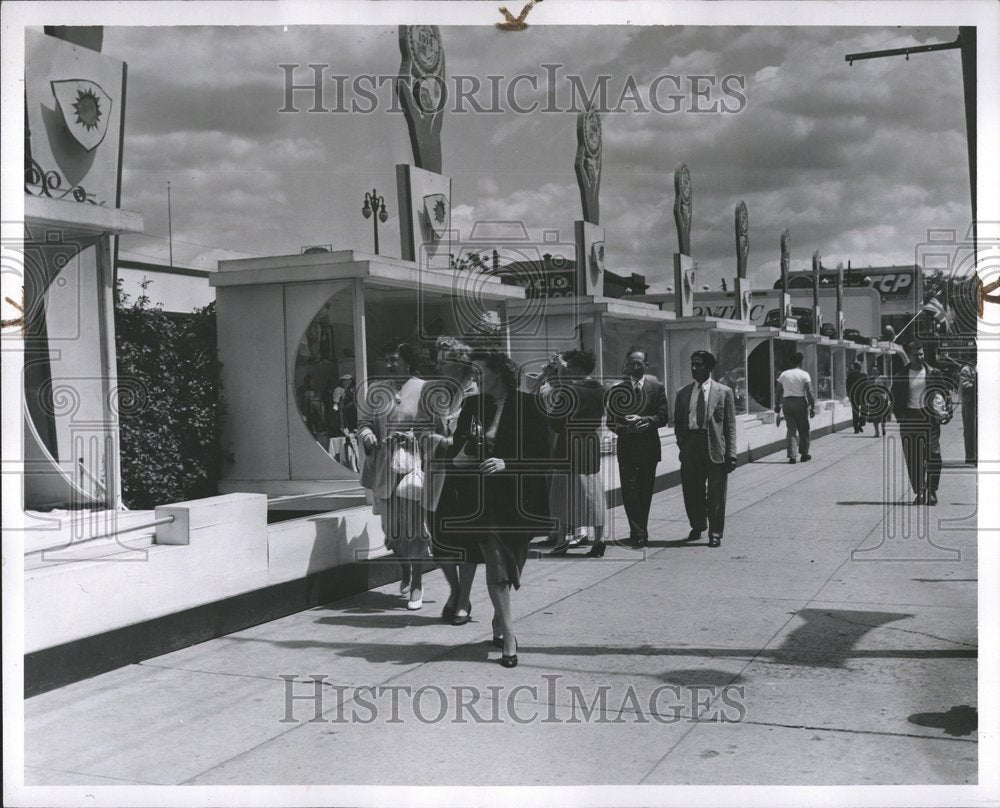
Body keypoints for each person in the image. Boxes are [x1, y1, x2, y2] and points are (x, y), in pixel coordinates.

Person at [442, 348, 533, 668]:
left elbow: (540, 454)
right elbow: (457, 449)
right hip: (482, 497)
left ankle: (499, 617)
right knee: (496, 563)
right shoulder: (471, 405)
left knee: (513, 566)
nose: (475, 378)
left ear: (499, 373)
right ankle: (509, 636)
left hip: (518, 497)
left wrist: (508, 462)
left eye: (481, 372)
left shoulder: (526, 405)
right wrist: (462, 452)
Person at [357, 342, 432, 610]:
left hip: (412, 468)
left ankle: (418, 584)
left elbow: (434, 425)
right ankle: (406, 569)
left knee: (413, 530)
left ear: (407, 362)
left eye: (394, 359)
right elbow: (364, 423)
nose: (389, 364)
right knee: (391, 532)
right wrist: (367, 436)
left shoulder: (423, 388)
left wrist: (414, 435)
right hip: (384, 469)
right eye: (387, 359)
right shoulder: (377, 390)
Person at [422, 337, 477, 625]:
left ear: (460, 365)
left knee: (465, 539)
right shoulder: (434, 392)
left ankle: (464, 599)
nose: (438, 365)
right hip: (437, 475)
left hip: (465, 477)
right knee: (439, 537)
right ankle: (456, 592)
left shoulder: (476, 394)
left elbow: (474, 439)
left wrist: (441, 440)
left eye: (444, 361)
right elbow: (420, 428)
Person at [606, 347, 669, 547]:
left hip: (649, 449)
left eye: (639, 363)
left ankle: (639, 529)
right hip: (627, 448)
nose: (635, 366)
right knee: (629, 492)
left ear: (646, 365)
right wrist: (626, 430)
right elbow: (610, 421)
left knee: (644, 492)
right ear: (627, 365)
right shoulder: (617, 390)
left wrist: (645, 420)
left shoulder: (657, 387)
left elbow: (663, 417)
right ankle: (639, 532)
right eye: (631, 363)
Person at [547, 349, 608, 557]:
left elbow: (555, 422)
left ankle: (561, 541)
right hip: (590, 444)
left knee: (563, 494)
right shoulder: (601, 389)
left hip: (568, 445)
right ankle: (599, 538)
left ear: (579, 367)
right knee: (593, 492)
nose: (569, 369)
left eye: (571, 366)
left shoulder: (568, 391)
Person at [674, 350, 738, 547]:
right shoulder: (683, 393)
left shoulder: (724, 392)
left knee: (717, 493)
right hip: (692, 444)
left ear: (709, 368)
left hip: (715, 447)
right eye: (692, 364)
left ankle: (715, 533)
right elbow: (678, 423)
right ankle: (698, 524)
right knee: (692, 490)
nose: (694, 368)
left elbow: (730, 425)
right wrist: (683, 444)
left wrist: (732, 454)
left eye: (699, 365)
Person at [891, 340, 952, 505]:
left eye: (921, 354)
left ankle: (932, 491)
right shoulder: (901, 375)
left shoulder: (933, 373)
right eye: (915, 355)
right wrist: (900, 416)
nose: (919, 357)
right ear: (909, 356)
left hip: (929, 418)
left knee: (933, 455)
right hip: (909, 419)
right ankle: (921, 492)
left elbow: (944, 393)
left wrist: (948, 413)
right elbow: (894, 398)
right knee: (913, 458)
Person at [775, 352, 815, 463]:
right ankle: (804, 454)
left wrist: (777, 405)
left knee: (791, 430)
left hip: (787, 403)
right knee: (804, 429)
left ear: (791, 362)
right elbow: (809, 391)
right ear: (801, 362)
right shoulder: (804, 374)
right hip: (800, 403)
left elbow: (778, 391)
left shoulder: (784, 374)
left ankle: (792, 456)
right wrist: (812, 406)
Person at [959, 361, 977, 465]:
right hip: (969, 403)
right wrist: (975, 383)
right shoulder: (966, 369)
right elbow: (965, 386)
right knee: (970, 430)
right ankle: (970, 456)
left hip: (979, 403)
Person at [846, 360, 867, 434]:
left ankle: (856, 428)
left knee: (855, 412)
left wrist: (849, 395)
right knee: (864, 410)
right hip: (862, 396)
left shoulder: (850, 376)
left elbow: (847, 387)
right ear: (860, 368)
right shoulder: (864, 375)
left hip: (853, 396)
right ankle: (861, 423)